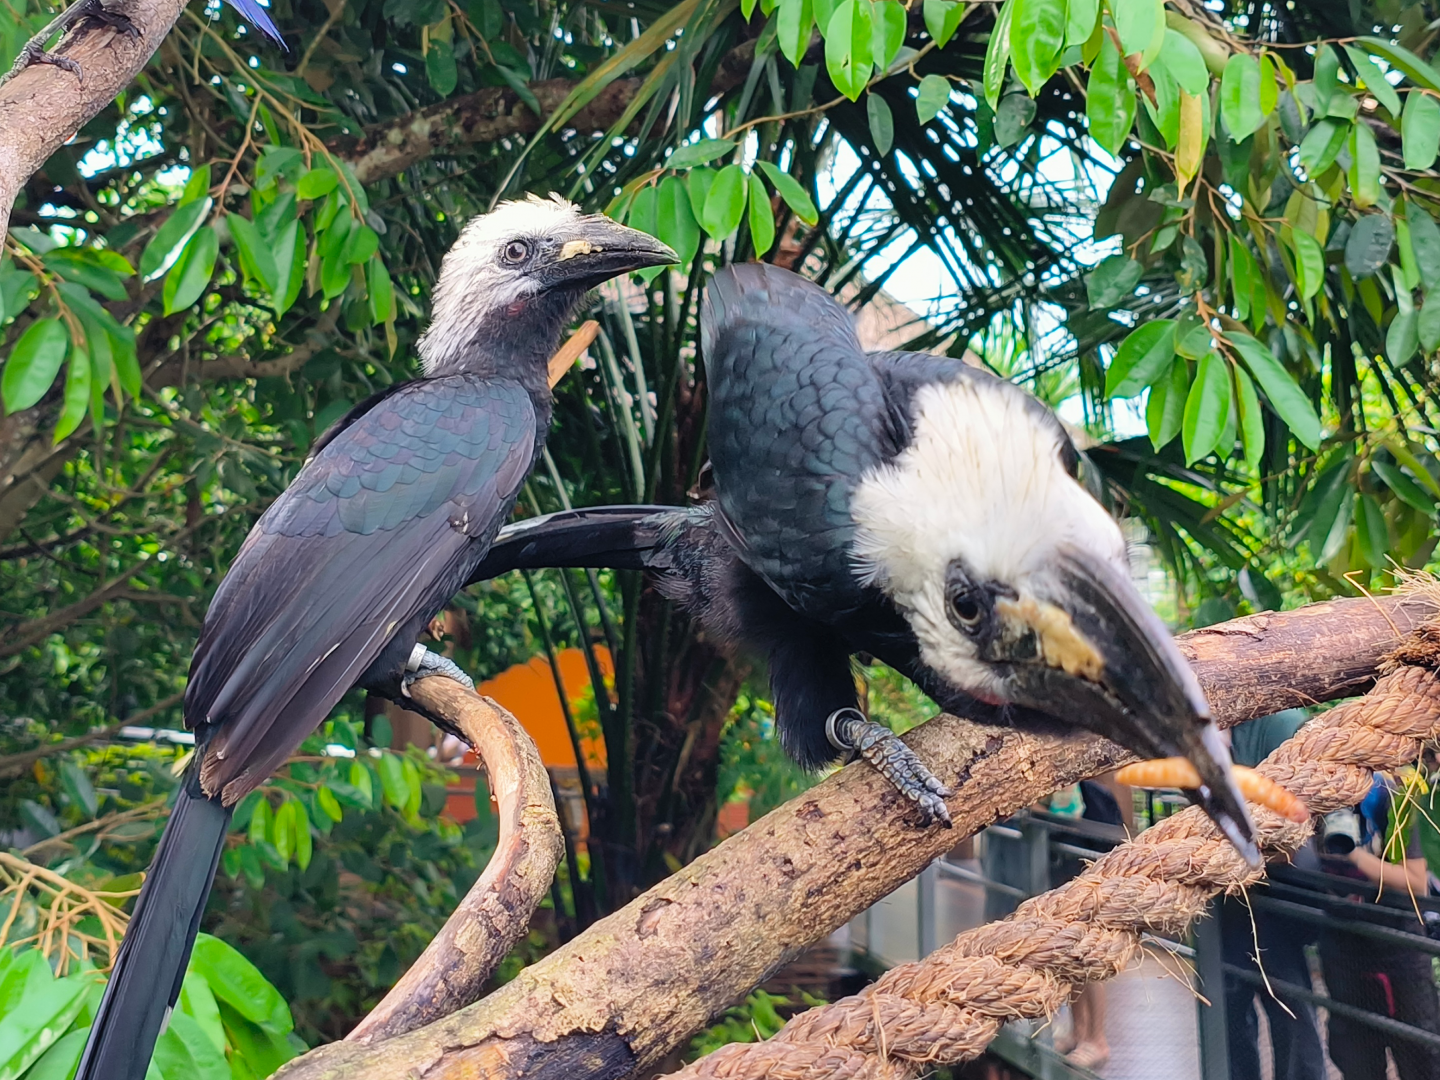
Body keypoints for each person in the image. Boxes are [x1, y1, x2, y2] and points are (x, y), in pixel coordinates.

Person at [1220, 709, 1327, 1080]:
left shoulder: (1282, 725)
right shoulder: (1195, 730)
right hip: (1230, 898)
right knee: (1228, 1005)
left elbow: (1306, 824)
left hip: (1280, 892)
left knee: (1290, 1004)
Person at [1318, 772, 1440, 1080]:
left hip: (1397, 945)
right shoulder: (1316, 790)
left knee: (1419, 1053)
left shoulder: (1394, 793)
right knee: (1357, 1058)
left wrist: (1353, 853)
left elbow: (1415, 885)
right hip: (1343, 942)